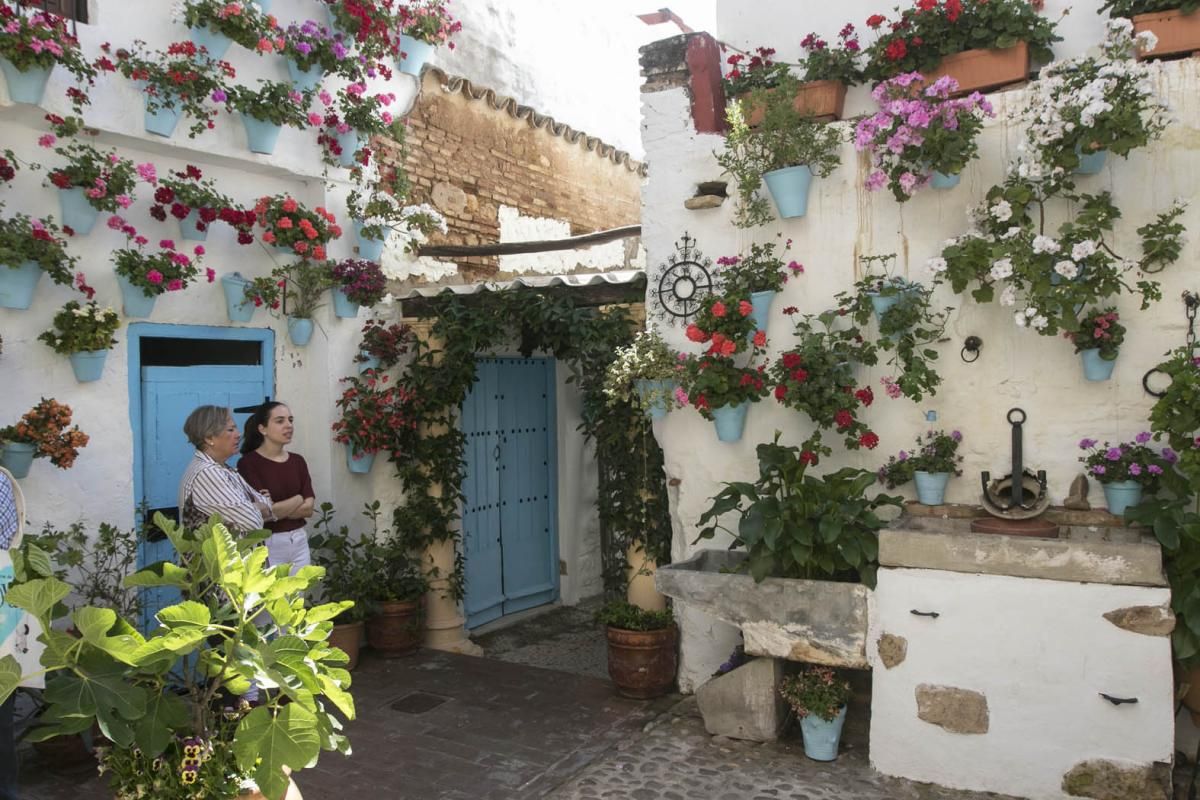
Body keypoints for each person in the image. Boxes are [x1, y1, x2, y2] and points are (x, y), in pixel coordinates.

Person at [236, 401, 315, 574]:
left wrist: (277, 508)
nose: (288, 426)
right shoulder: (248, 464)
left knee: (299, 597)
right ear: (262, 429)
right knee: (274, 599)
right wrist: (298, 498)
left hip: (299, 540)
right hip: (269, 543)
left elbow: (308, 509)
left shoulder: (298, 461)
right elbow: (264, 513)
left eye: (290, 420)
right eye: (280, 421)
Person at [178, 405, 273, 535]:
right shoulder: (207, 473)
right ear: (209, 438)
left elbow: (269, 507)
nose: (238, 434)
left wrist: (257, 507)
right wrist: (258, 507)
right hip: (218, 555)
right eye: (230, 429)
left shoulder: (224, 468)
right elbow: (251, 520)